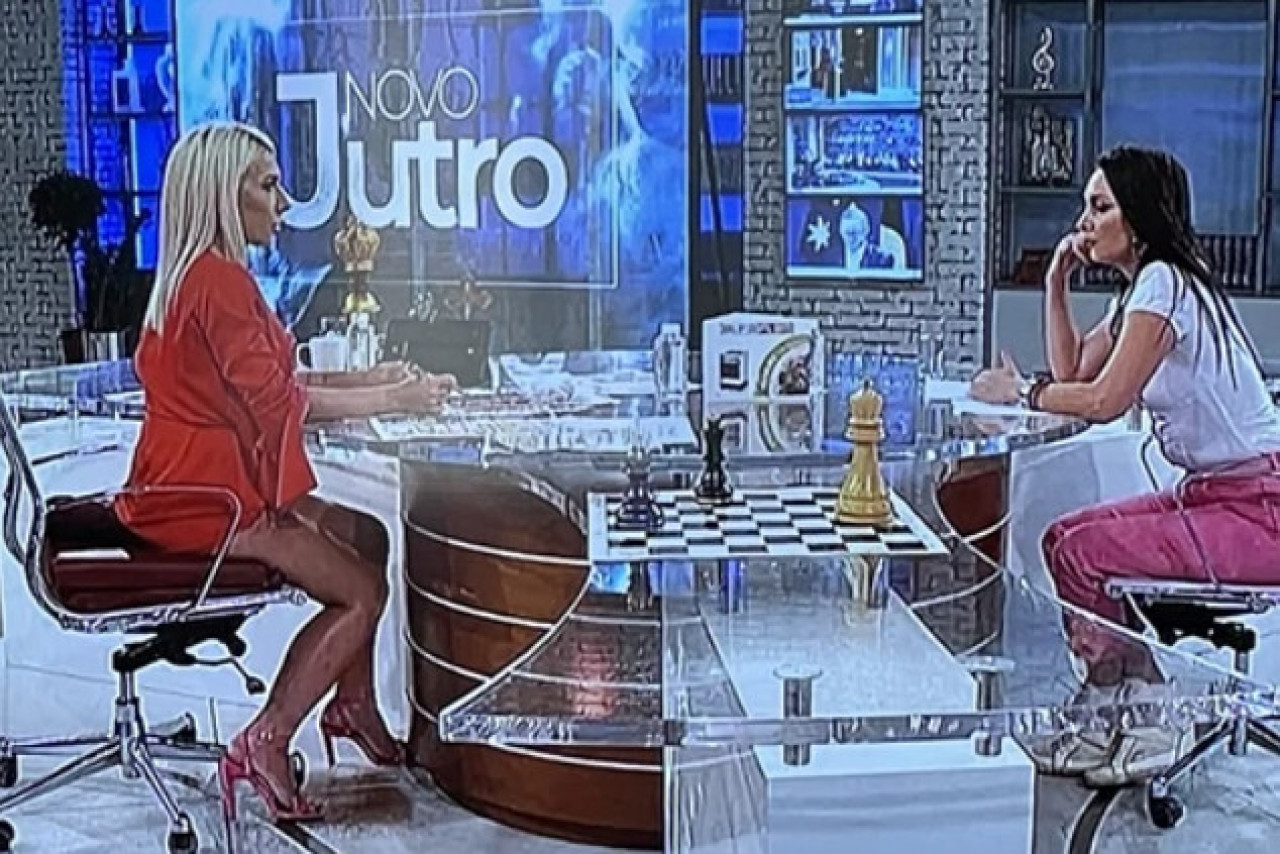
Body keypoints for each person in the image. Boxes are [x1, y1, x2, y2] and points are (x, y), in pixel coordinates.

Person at [114, 121, 456, 820]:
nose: (285, 201)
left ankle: (352, 704)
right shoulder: (218, 283)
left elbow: (277, 383)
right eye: (268, 186)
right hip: (208, 501)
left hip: (199, 485)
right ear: (223, 194)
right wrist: (395, 400)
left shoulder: (204, 276)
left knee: (367, 537)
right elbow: (283, 405)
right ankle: (265, 740)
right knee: (360, 592)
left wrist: (376, 377)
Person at [971, 145, 1280, 785]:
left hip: (1260, 509)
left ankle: (1146, 706)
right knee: (1062, 538)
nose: (1084, 222)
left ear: (1136, 219)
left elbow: (1104, 401)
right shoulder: (1144, 291)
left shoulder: (1166, 282)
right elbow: (1073, 373)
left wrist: (1020, 391)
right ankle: (1113, 701)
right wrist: (1055, 282)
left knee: (1083, 551)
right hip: (1213, 495)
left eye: (1100, 207)